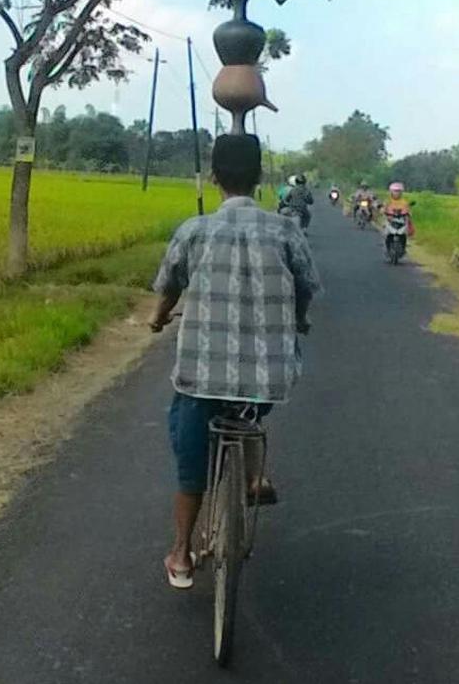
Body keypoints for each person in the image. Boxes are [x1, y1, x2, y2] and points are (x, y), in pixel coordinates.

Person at [150, 134, 321, 589]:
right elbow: (306, 288)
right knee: (251, 408)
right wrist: (299, 319)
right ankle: (254, 474)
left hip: (200, 377)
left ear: (214, 177)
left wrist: (157, 318)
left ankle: (181, 553)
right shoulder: (286, 230)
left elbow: (168, 287)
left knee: (188, 453)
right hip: (268, 380)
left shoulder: (195, 230)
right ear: (260, 177)